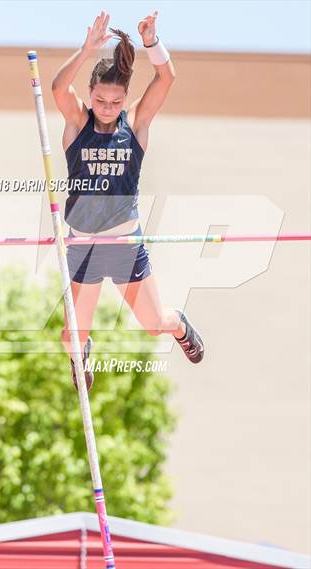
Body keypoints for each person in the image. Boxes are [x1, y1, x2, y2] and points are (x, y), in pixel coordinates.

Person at [52, 10, 204, 391]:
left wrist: (151, 43)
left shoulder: (135, 123)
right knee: (69, 339)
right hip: (84, 245)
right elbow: (57, 87)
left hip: (123, 244)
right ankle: (82, 354)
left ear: (125, 99)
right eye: (100, 100)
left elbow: (166, 77)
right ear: (90, 95)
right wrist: (87, 49)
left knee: (155, 326)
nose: (106, 108)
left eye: (115, 101)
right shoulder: (77, 122)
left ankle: (180, 324)